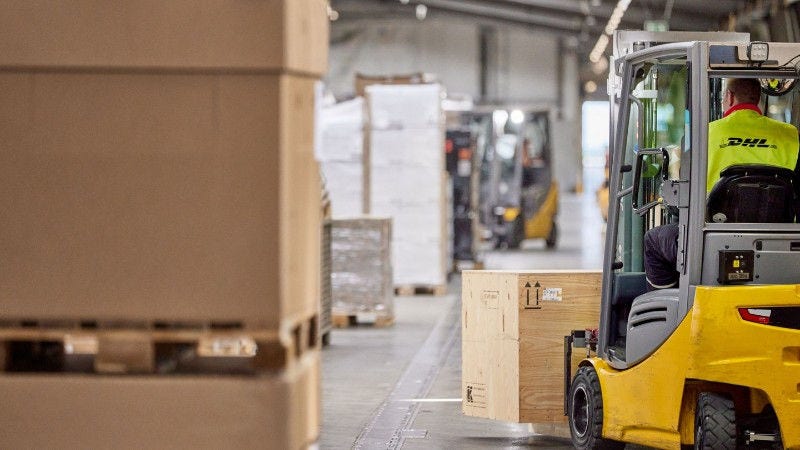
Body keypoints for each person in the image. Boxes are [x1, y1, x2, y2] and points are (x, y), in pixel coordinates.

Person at [644, 78, 800, 290]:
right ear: (758, 98)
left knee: (653, 240)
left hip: (712, 239)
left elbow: (684, 185)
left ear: (729, 97)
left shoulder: (701, 134)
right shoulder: (791, 135)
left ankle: (669, 304)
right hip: (778, 240)